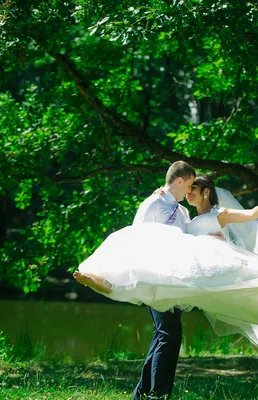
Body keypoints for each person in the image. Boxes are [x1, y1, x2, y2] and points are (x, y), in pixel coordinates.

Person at [75, 174, 258, 382]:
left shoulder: (218, 214)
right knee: (162, 310)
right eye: (187, 190)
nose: (189, 194)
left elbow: (248, 214)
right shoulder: (185, 218)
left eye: (193, 189)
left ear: (206, 191)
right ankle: (112, 284)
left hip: (217, 261)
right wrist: (160, 195)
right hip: (192, 267)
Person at [75, 160, 195, 400]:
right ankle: (157, 394)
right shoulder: (153, 203)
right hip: (155, 278)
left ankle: (141, 393)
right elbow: (137, 238)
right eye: (189, 185)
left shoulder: (183, 211)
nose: (190, 191)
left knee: (165, 334)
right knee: (169, 334)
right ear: (179, 180)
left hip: (175, 279)